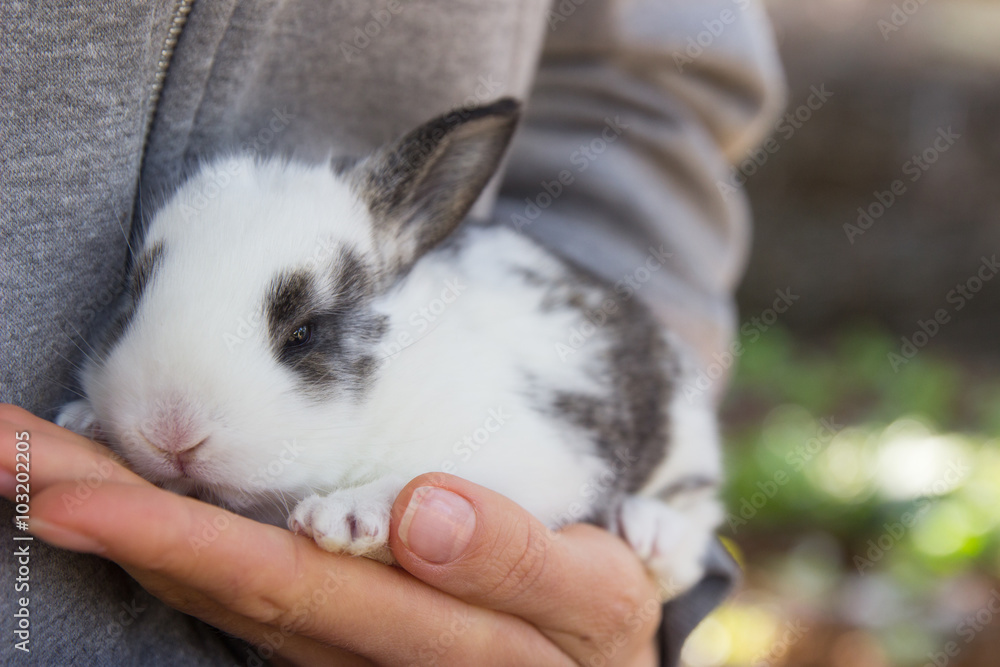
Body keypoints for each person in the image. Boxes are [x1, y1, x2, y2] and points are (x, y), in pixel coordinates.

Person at [0, 0, 786, 664]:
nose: (177, 437)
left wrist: (610, 609)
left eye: (302, 335)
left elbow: (644, 83)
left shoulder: (450, 378)